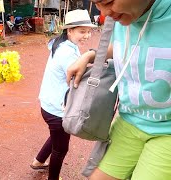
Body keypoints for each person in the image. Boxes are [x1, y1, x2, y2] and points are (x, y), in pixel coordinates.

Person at [67, 0, 171, 179]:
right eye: (97, 4)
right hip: (128, 121)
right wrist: (92, 55)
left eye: (108, 2)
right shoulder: (121, 17)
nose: (105, 13)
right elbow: (126, 45)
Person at [31, 9, 96, 180]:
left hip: (48, 103)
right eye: (82, 31)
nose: (87, 35)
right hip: (58, 109)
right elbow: (77, 78)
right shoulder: (67, 52)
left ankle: (38, 161)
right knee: (61, 149)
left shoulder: (59, 43)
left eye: (89, 31)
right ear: (69, 30)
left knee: (56, 135)